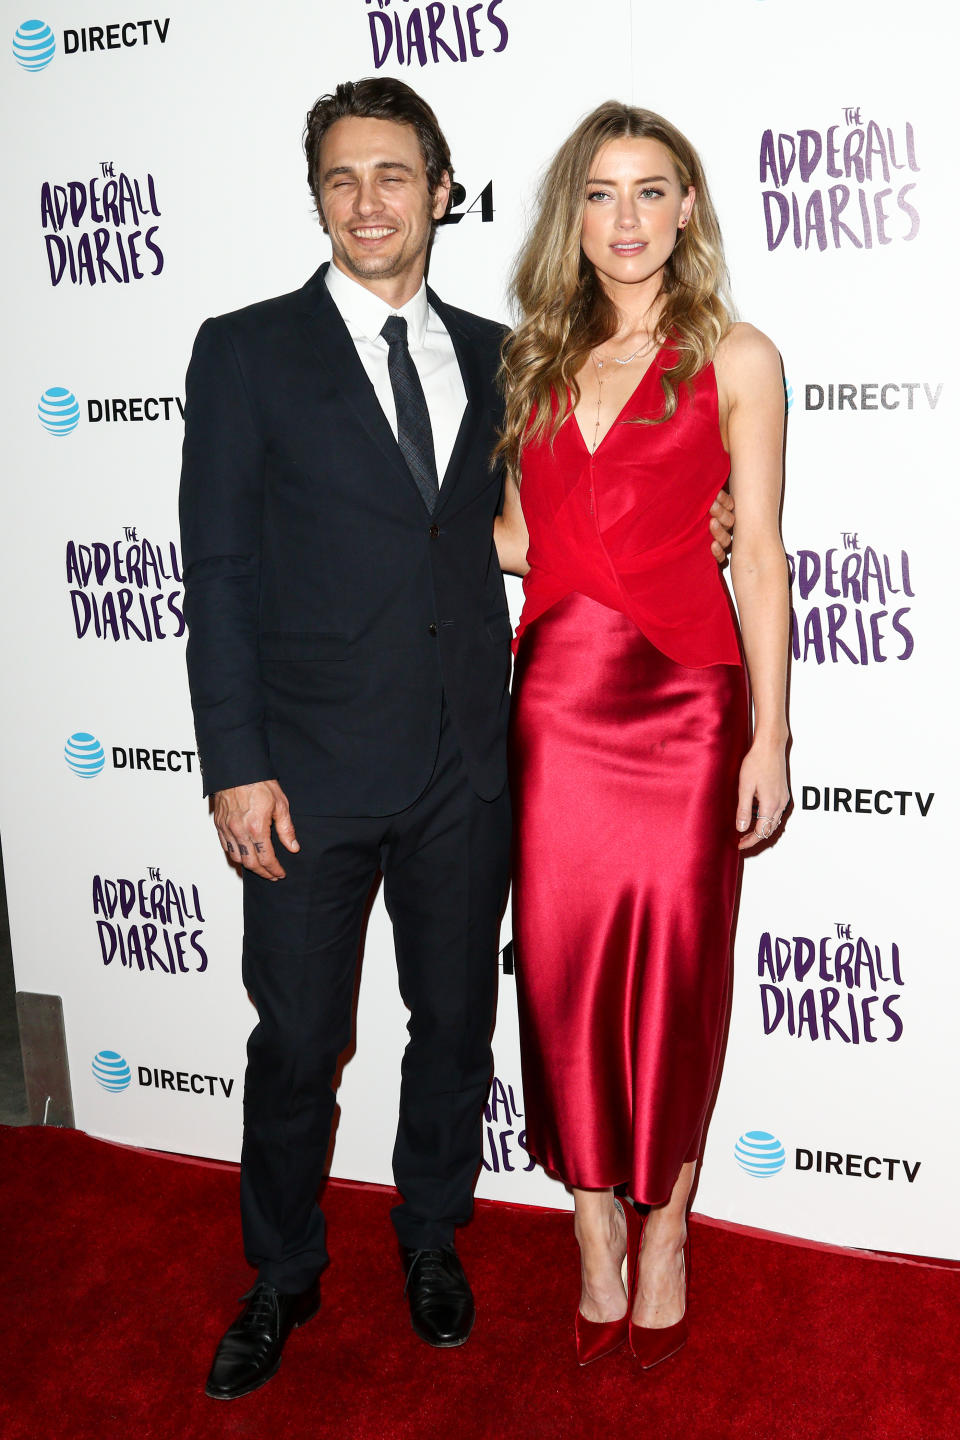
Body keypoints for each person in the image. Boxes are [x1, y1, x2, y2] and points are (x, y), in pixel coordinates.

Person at [179, 78, 734, 1401]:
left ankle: (432, 1237)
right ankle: (281, 1271)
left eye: (393, 175)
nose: (367, 201)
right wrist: (234, 762)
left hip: (472, 765)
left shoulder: (511, 355)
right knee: (298, 1040)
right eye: (340, 178)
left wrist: (688, 534)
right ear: (317, 197)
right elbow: (222, 577)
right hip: (305, 768)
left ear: (441, 191)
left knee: (454, 1026)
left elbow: (547, 526)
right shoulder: (246, 350)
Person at [494, 102, 790, 1369]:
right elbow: (514, 540)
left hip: (685, 703)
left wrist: (771, 736)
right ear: (575, 214)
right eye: (602, 193)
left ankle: (667, 1225)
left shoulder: (738, 357)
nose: (627, 218)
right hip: (558, 701)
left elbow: (764, 556)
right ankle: (592, 1228)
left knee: (677, 973)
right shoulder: (534, 367)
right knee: (559, 973)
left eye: (651, 190)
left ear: (688, 209)